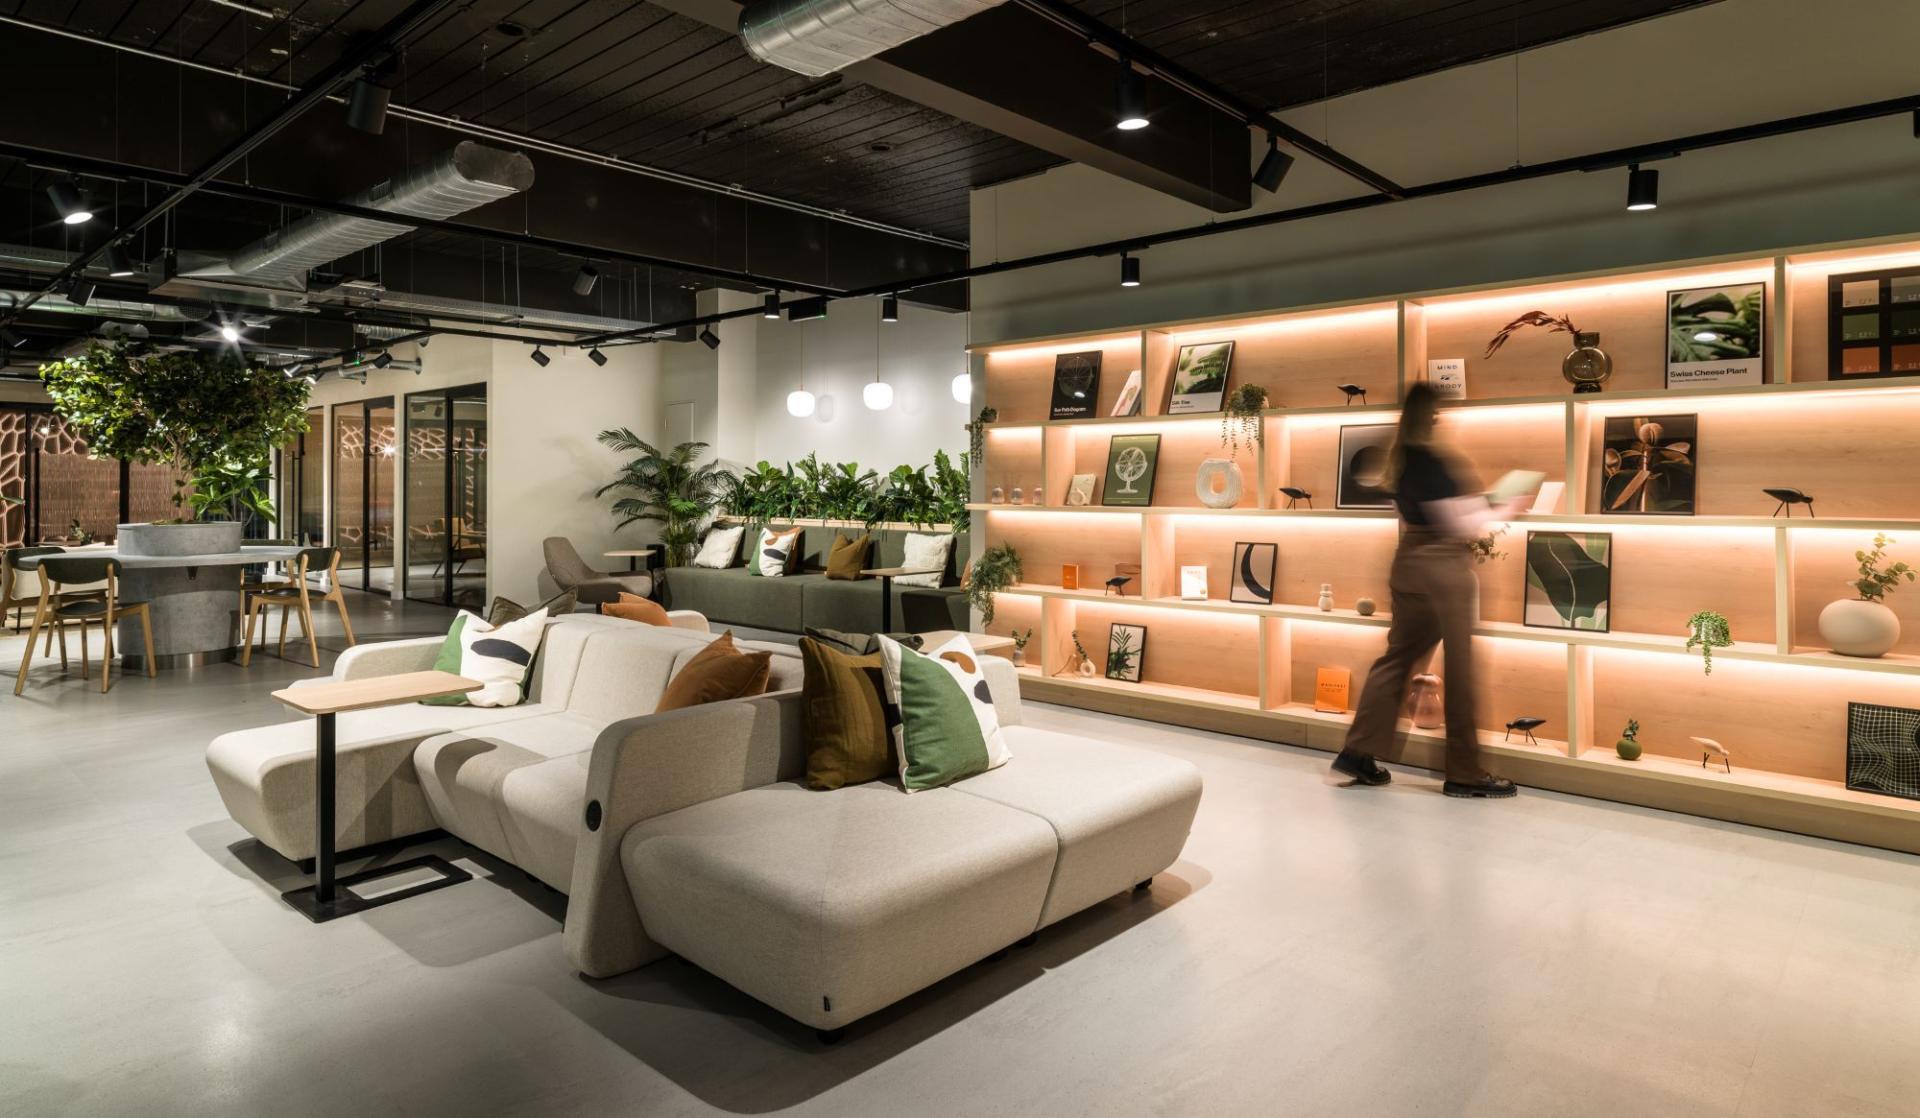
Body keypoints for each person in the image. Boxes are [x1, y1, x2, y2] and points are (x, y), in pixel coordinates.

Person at [1329, 381, 1533, 798]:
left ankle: (1359, 751)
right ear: (1431, 415)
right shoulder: (1432, 461)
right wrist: (1506, 504)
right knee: (1460, 670)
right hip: (1443, 568)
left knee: (1397, 657)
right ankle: (1464, 772)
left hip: (1408, 563)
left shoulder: (1399, 460)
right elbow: (1458, 525)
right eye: (1439, 412)